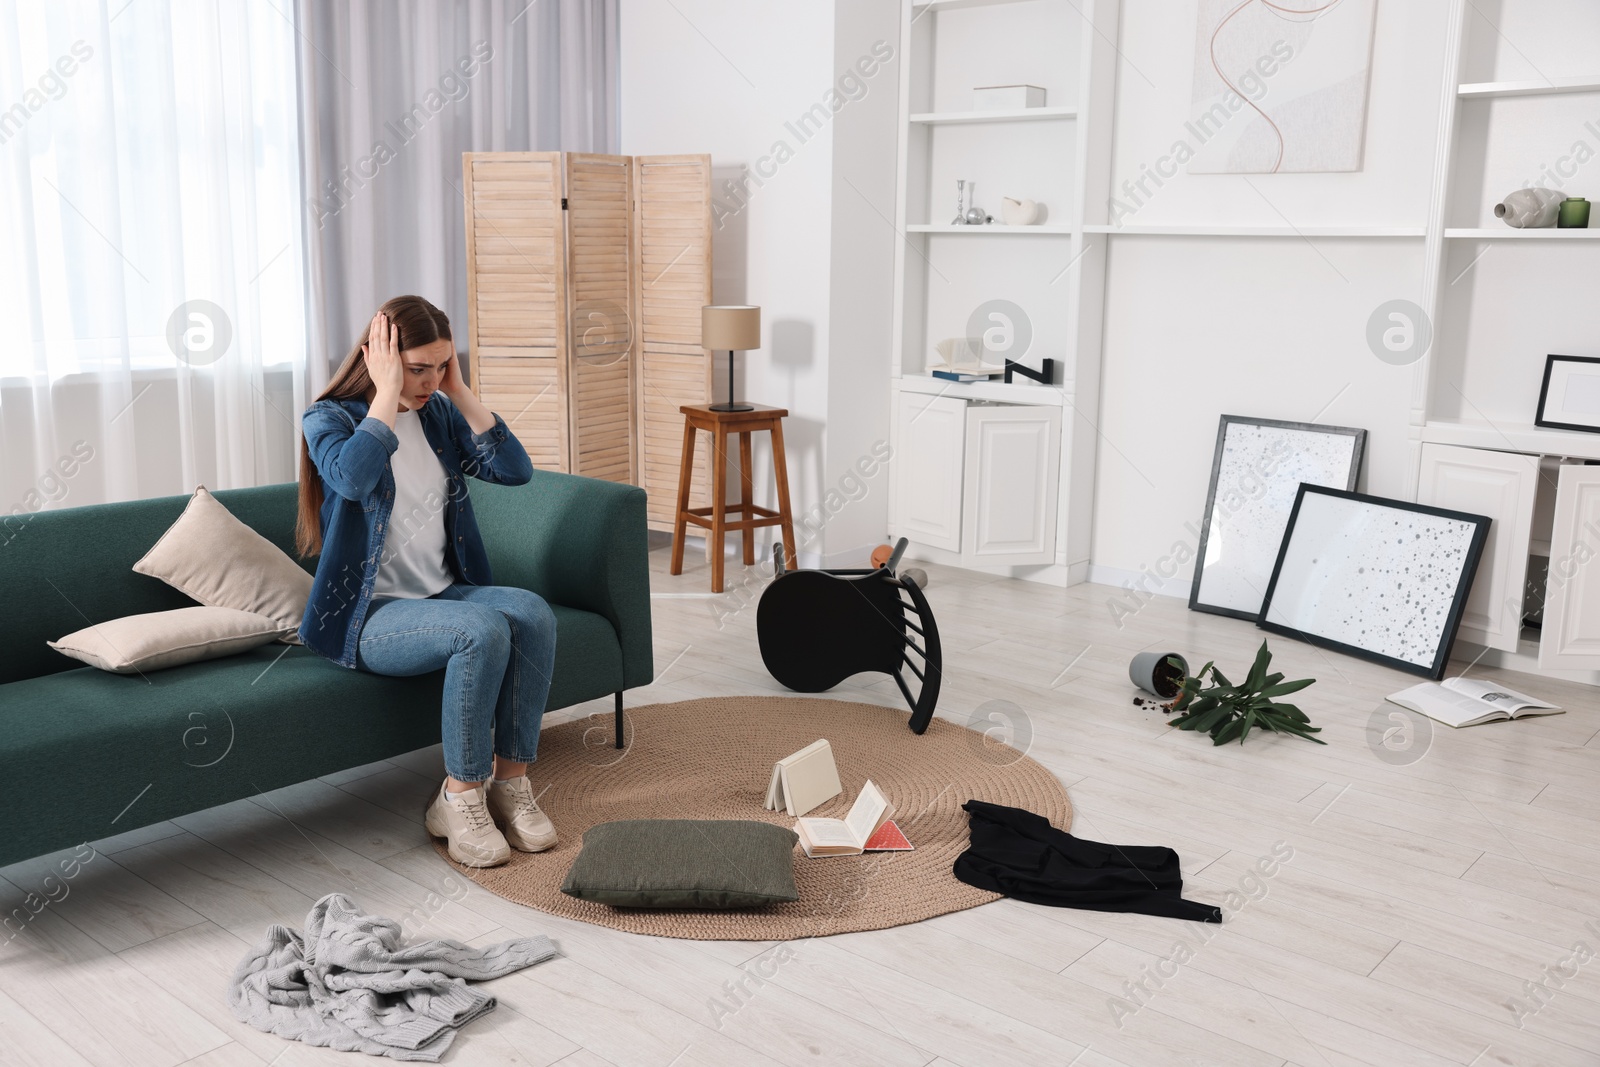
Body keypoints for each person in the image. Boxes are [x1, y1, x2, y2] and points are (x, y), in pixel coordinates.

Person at [293, 294, 558, 868]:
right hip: (370, 616)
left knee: (532, 612)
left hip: (443, 593)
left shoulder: (438, 412)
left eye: (442, 365)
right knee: (481, 630)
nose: (430, 380)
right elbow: (355, 479)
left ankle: (511, 784)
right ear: (379, 358)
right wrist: (388, 395)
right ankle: (458, 797)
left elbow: (515, 471)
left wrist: (458, 392)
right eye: (418, 368)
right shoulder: (329, 420)